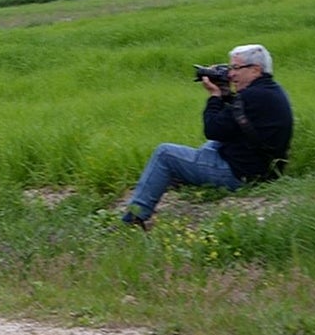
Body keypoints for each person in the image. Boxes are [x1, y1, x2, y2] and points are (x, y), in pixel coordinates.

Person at [122, 44, 293, 228]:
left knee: (164, 154)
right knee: (214, 144)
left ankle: (133, 219)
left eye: (235, 68)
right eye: (229, 68)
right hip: (263, 168)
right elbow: (236, 121)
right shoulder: (271, 91)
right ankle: (181, 176)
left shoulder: (250, 96)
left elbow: (212, 128)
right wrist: (227, 95)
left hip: (240, 174)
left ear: (255, 70)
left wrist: (214, 96)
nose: (230, 74)